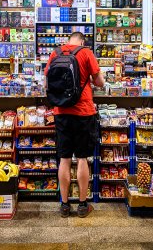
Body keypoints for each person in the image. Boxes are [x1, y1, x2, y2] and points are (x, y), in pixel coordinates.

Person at [45, 32, 105, 218]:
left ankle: (64, 205)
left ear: (68, 40)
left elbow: (47, 81)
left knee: (64, 159)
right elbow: (99, 82)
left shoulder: (55, 53)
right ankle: (82, 204)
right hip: (83, 112)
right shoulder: (86, 53)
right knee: (81, 158)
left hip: (61, 112)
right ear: (82, 41)